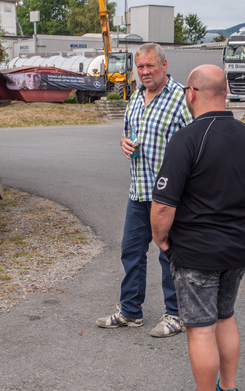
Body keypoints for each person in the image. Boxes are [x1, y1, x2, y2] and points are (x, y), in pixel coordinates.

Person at [151, 65, 245, 391]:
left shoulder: (187, 139)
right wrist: (232, 221)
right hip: (236, 247)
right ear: (226, 93)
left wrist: (162, 239)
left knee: (200, 327)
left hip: (196, 250)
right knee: (225, 317)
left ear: (191, 93)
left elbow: (163, 207)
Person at [96, 43, 192, 338]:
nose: (145, 72)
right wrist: (124, 143)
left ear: (164, 65)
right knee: (131, 251)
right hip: (138, 190)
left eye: (151, 66)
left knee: (169, 255)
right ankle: (130, 311)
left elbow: (196, 142)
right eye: (140, 67)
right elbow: (129, 134)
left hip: (169, 195)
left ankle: (176, 314)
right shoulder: (136, 98)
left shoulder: (180, 98)